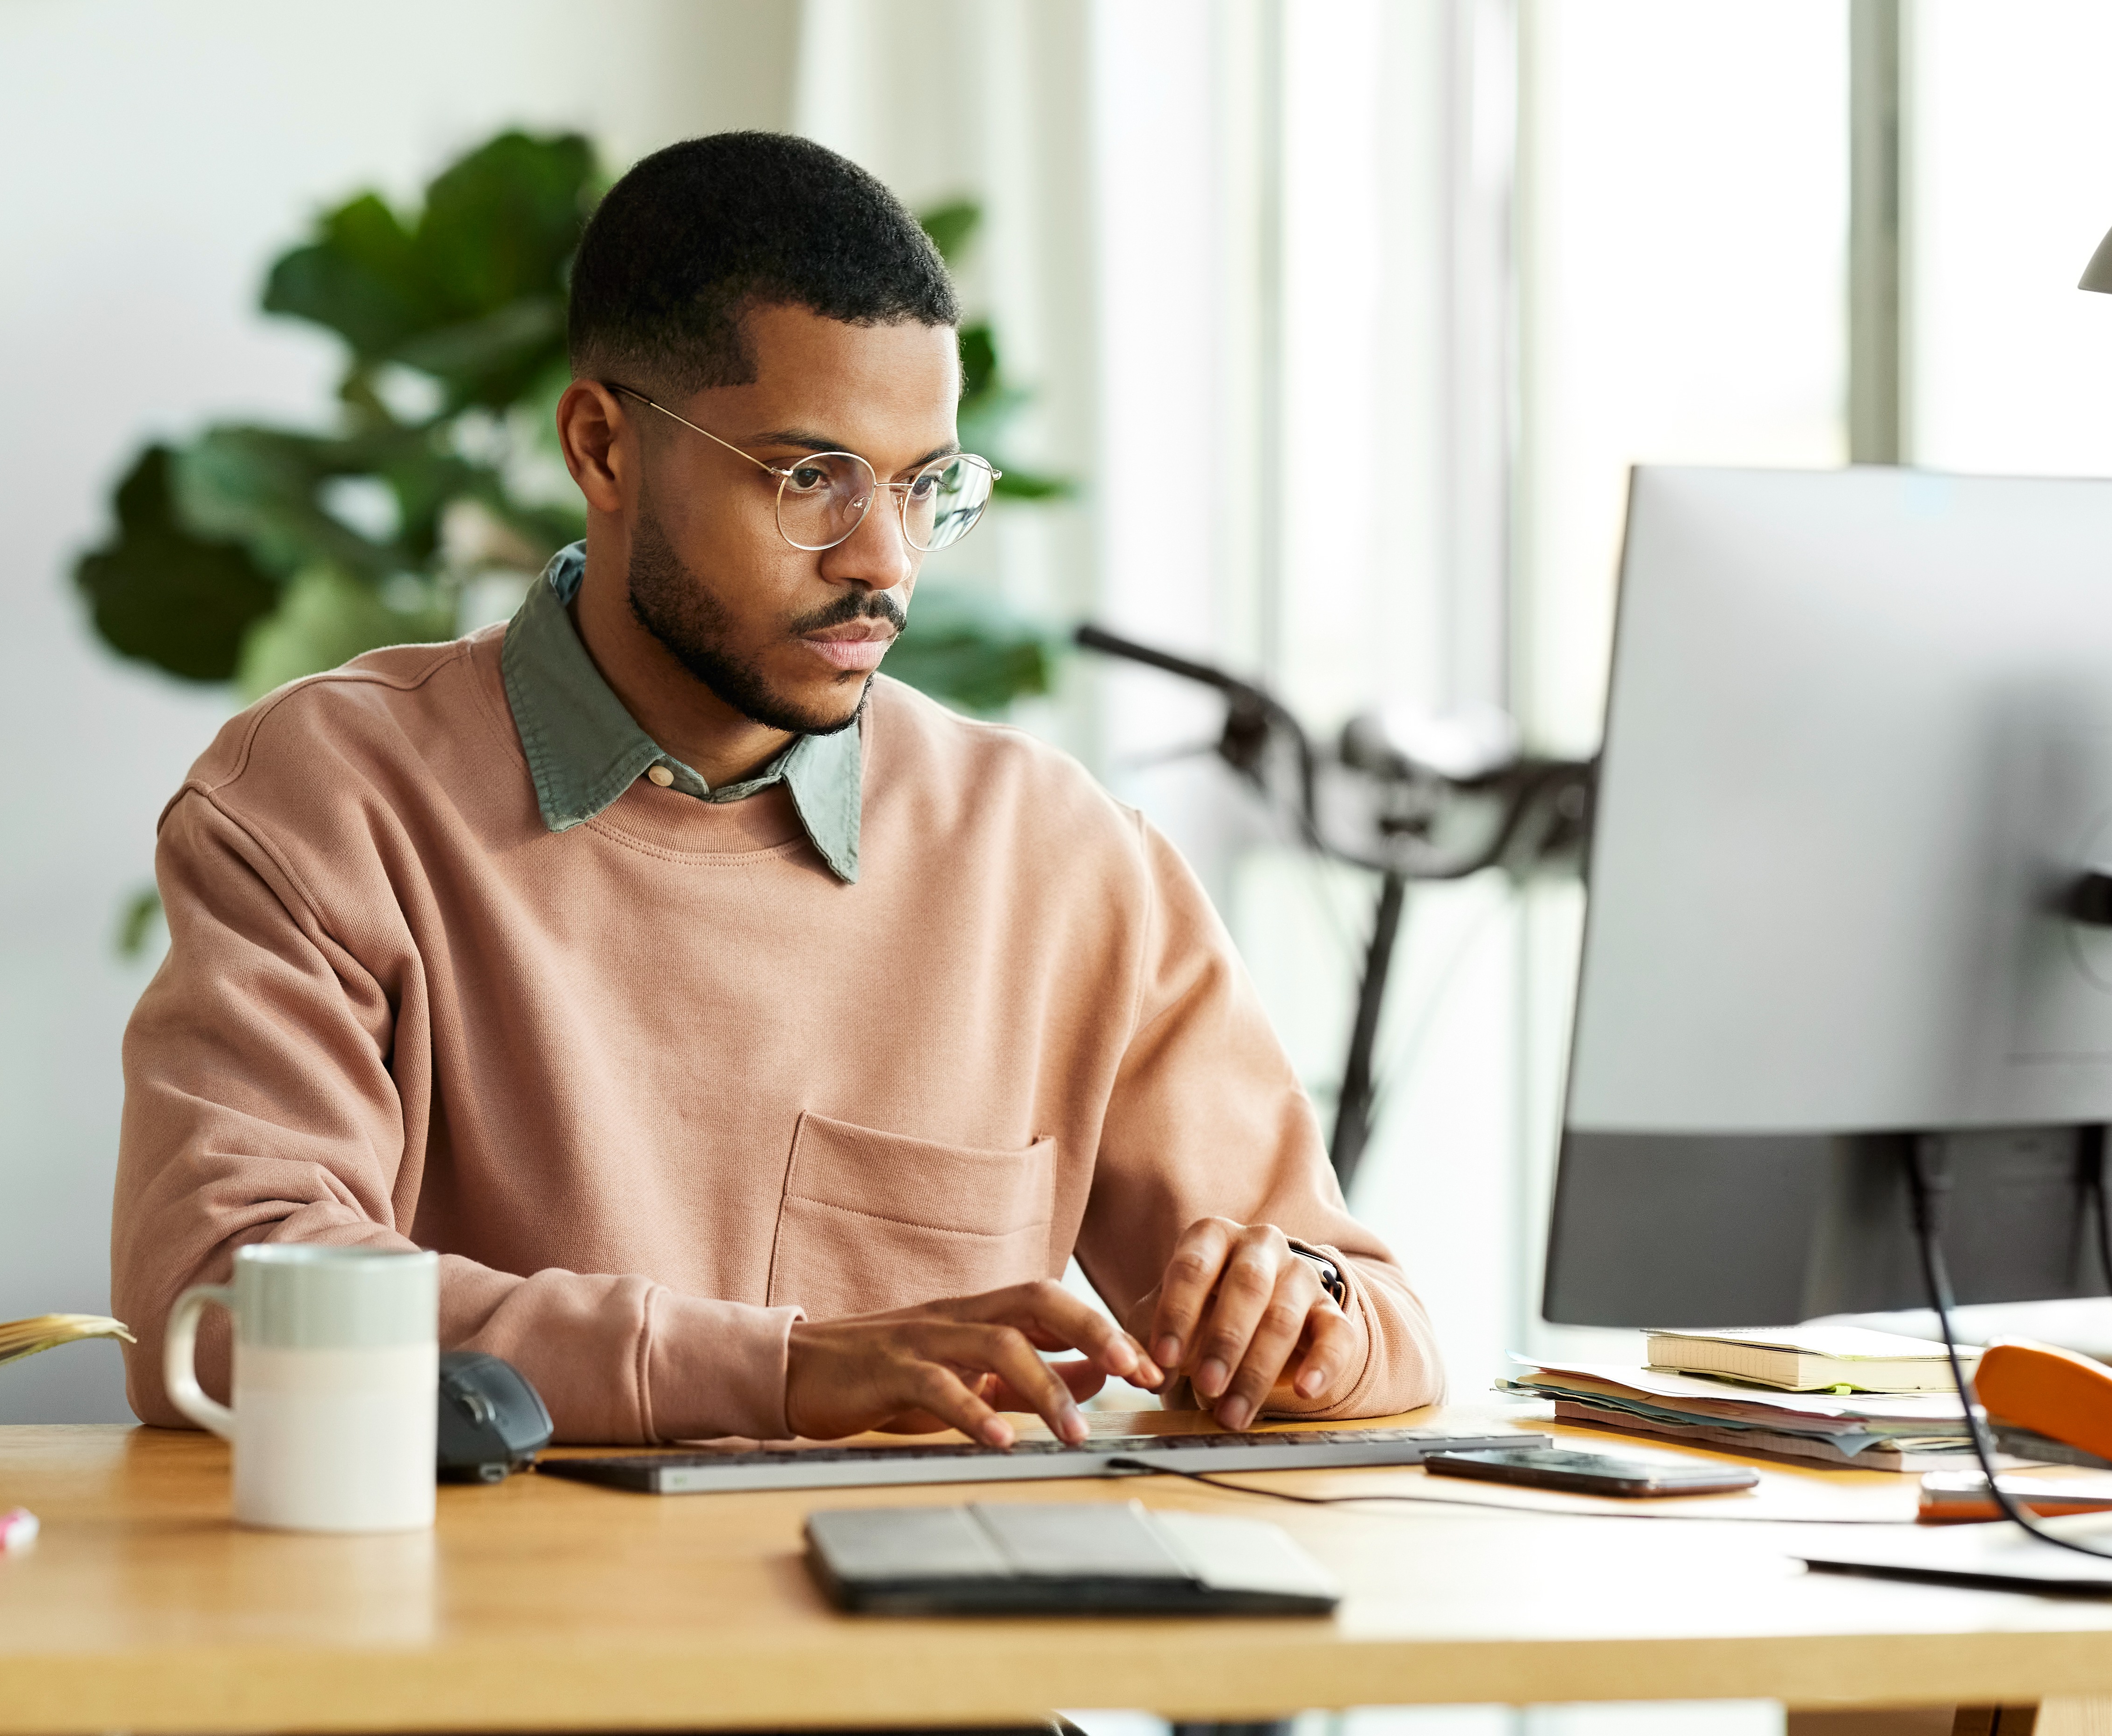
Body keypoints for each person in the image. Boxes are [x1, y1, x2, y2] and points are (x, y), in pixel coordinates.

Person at [113, 130, 1440, 1447]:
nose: (887, 565)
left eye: (926, 488)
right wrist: (786, 1371)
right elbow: (223, 1304)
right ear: (603, 448)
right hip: (500, 1644)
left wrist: (1304, 1319)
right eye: (812, 478)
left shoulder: (1061, 858)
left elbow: (1375, 1312)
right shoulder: (326, 803)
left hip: (928, 1654)